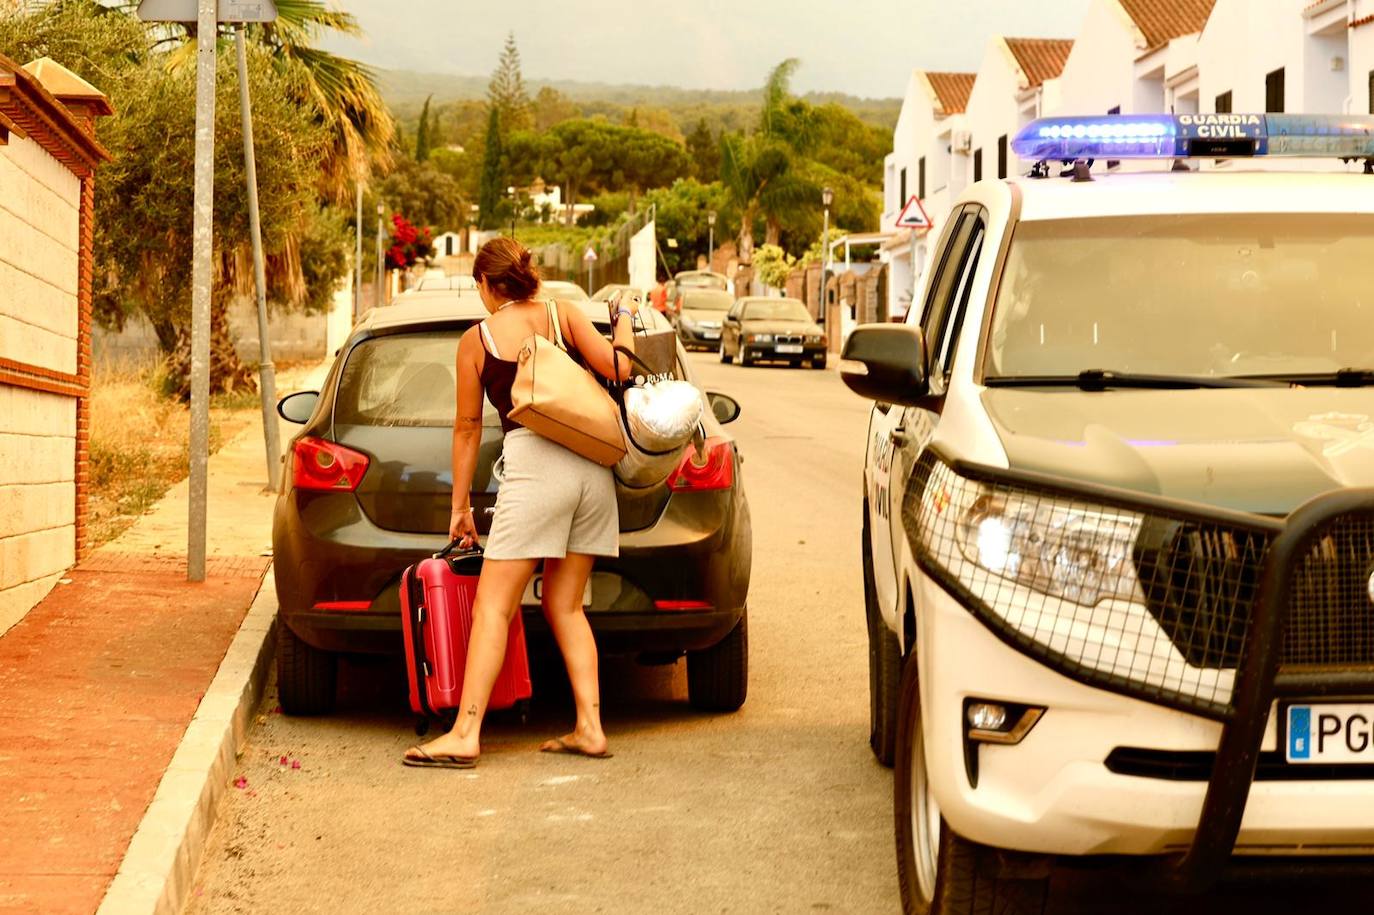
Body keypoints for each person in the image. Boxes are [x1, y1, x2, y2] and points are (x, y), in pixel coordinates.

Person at [404, 237, 636, 769]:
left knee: (493, 604)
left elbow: (467, 430)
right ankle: (590, 727)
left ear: (486, 285)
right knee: (566, 603)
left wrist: (460, 505)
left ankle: (465, 733)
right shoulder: (565, 313)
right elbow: (620, 368)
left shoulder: (477, 340)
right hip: (593, 468)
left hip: (537, 470)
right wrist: (622, 315)